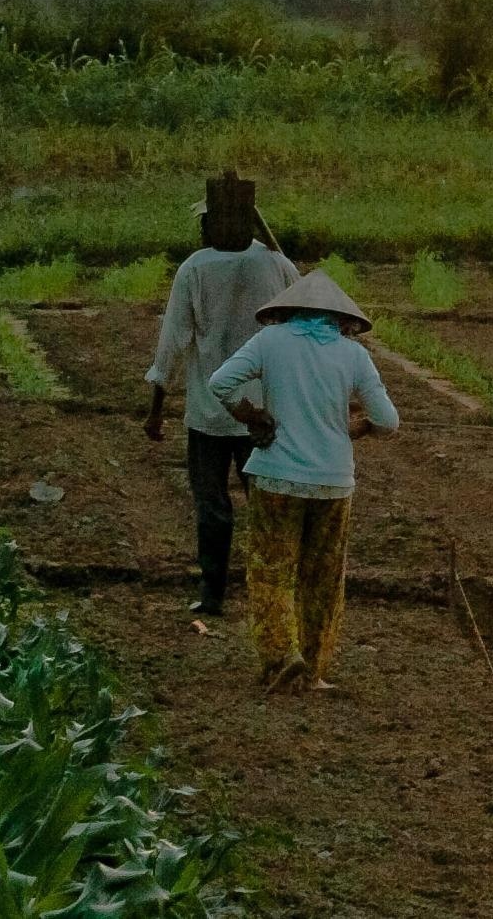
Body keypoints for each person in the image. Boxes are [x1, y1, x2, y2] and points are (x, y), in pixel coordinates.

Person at [206, 267, 398, 694]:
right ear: (342, 319)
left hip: (276, 477)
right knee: (324, 578)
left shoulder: (270, 341)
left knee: (272, 571)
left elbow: (220, 383)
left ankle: (281, 657)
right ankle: (313, 670)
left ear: (289, 311)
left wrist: (249, 415)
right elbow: (388, 420)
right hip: (333, 482)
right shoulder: (353, 355)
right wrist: (358, 429)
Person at [140, 175, 295, 619]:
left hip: (209, 411)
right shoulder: (276, 264)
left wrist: (156, 409)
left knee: (211, 505)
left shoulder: (195, 269)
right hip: (262, 412)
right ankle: (274, 590)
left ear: (212, 225)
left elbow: (173, 341)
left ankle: (213, 594)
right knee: (267, 504)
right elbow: (304, 309)